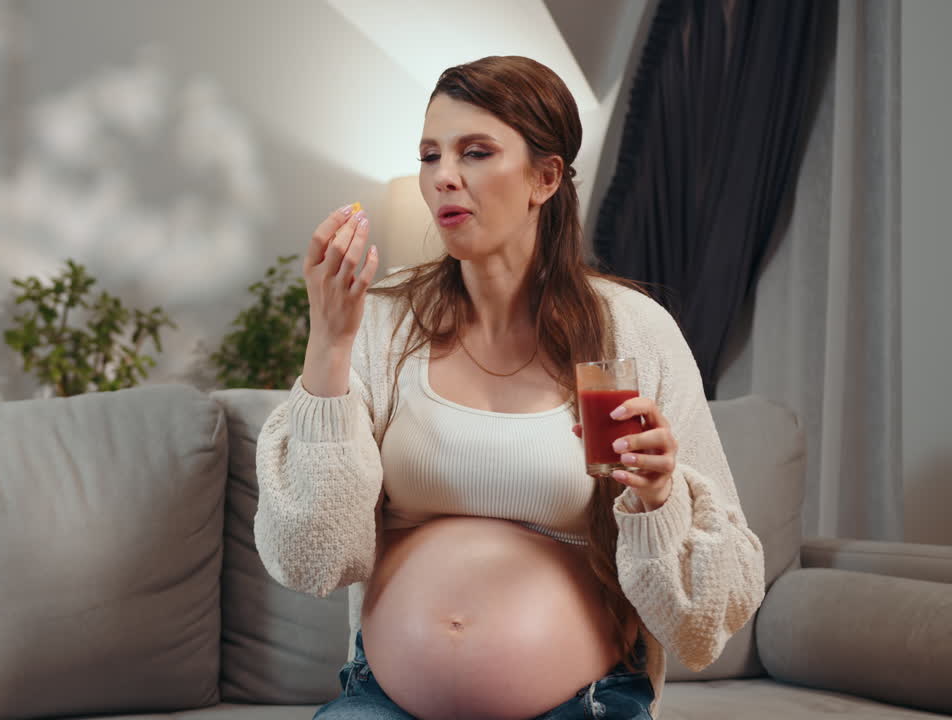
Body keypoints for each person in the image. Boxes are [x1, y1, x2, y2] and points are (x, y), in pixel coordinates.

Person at [254, 56, 765, 720]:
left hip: (582, 703)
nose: (444, 176)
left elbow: (705, 622)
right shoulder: (378, 320)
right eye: (430, 154)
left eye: (475, 152)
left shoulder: (630, 333)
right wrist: (327, 342)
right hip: (384, 700)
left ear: (545, 178)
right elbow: (311, 560)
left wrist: (659, 496)